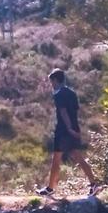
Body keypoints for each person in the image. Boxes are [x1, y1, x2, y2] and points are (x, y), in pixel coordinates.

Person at [36, 69, 101, 197]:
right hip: (74, 128)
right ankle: (94, 184)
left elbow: (63, 112)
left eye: (52, 82)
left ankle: (50, 189)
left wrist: (69, 128)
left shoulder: (58, 95)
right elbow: (75, 112)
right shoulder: (72, 93)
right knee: (78, 157)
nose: (51, 85)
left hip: (63, 130)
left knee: (56, 159)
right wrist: (75, 129)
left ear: (55, 80)